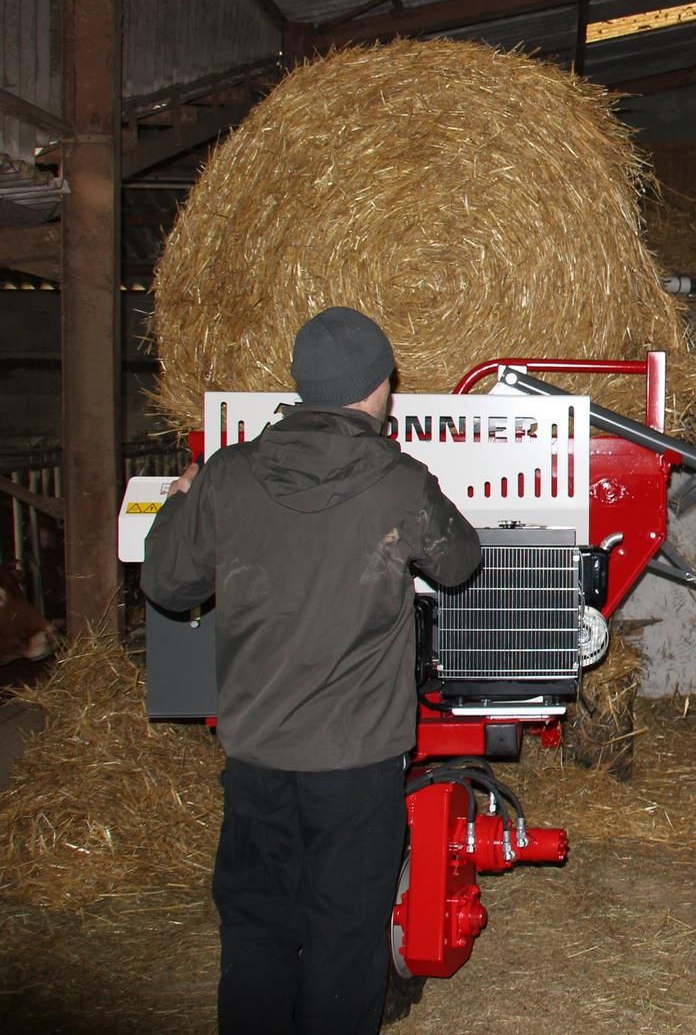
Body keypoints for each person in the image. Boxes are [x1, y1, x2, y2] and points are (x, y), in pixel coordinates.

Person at [143, 306, 482, 1034]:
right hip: (356, 766)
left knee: (258, 929)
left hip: (257, 759)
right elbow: (460, 563)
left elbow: (167, 585)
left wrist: (175, 507)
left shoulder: (229, 475)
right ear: (378, 385)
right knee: (344, 939)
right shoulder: (397, 481)